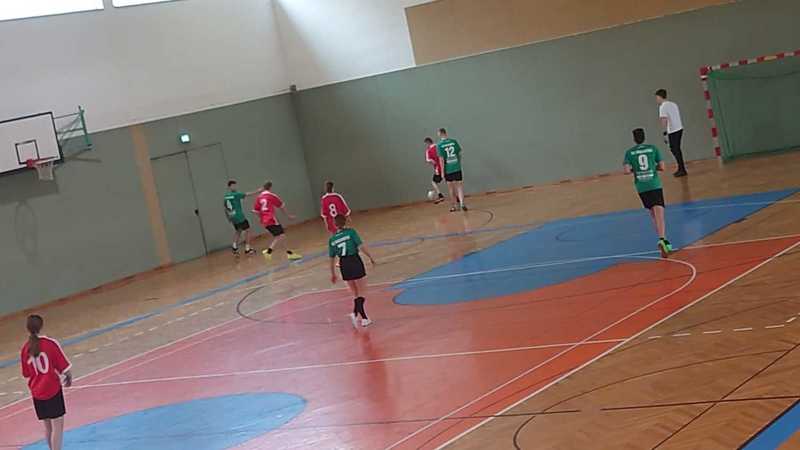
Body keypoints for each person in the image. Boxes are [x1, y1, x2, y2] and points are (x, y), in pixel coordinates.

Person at [21, 315, 72, 450]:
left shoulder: (25, 349)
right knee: (57, 427)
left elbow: (26, 373)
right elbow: (63, 366)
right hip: (52, 389)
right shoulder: (50, 344)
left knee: (48, 427)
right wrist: (68, 376)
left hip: (37, 392)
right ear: (41, 326)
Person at [623, 128, 673, 257]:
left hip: (641, 187)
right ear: (644, 137)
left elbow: (626, 170)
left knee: (653, 214)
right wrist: (653, 168)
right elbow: (662, 167)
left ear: (634, 139)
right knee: (659, 213)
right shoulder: (653, 149)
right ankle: (663, 239)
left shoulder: (629, 152)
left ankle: (662, 239)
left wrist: (636, 170)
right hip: (654, 184)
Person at [329, 215, 376, 328]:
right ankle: (364, 318)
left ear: (335, 224)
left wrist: (333, 274)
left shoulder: (332, 239)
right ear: (345, 222)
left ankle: (355, 314)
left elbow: (331, 258)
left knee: (355, 293)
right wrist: (370, 257)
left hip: (343, 264)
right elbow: (361, 246)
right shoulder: (351, 232)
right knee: (362, 291)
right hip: (354, 260)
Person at [252, 181, 303, 261]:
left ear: (263, 188)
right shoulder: (271, 196)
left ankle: (287, 253)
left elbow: (255, 211)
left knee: (280, 236)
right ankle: (270, 252)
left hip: (265, 221)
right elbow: (281, 206)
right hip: (271, 219)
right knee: (281, 236)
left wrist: (261, 219)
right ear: (270, 188)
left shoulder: (259, 197)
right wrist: (288, 216)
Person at [655, 89, 688, 177]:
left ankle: (682, 169)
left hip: (672, 131)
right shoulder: (673, 104)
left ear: (660, 97)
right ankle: (681, 168)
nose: (656, 100)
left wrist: (664, 133)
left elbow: (664, 120)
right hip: (679, 128)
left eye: (657, 98)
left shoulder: (663, 107)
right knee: (676, 149)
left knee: (675, 149)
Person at [224, 180, 260, 255]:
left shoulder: (226, 196)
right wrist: (259, 190)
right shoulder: (236, 194)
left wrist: (229, 218)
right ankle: (247, 249)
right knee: (248, 230)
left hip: (233, 217)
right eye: (233, 186)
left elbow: (225, 208)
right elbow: (247, 194)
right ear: (229, 187)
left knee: (238, 230)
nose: (235, 187)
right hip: (239, 216)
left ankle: (234, 247)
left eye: (235, 185)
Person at [436, 128, 467, 212]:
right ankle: (462, 204)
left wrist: (442, 172)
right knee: (459, 186)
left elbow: (441, 159)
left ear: (439, 134)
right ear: (446, 133)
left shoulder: (439, 145)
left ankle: (453, 206)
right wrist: (458, 163)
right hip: (457, 167)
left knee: (451, 188)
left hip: (448, 169)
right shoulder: (454, 142)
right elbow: (459, 154)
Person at [424, 137, 445, 203]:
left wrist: (433, 162)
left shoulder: (428, 150)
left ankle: (440, 195)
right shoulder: (438, 146)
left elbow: (428, 160)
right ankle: (457, 196)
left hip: (438, 168)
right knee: (450, 181)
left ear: (428, 142)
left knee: (434, 182)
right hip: (446, 166)